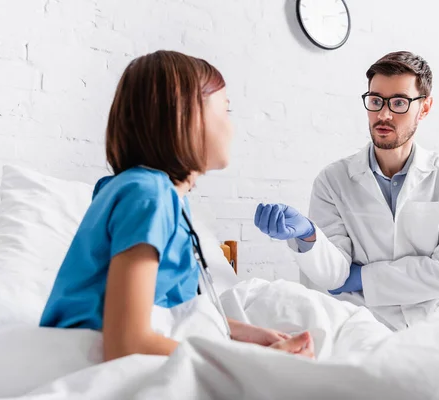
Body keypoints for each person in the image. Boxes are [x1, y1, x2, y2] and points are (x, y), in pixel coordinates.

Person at [40, 50, 314, 361]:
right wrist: (250, 362)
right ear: (189, 116)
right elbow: (127, 343)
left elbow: (169, 312)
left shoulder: (156, 196)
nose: (232, 127)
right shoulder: (147, 196)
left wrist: (239, 333)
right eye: (226, 111)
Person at [254, 51, 439, 331]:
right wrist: (309, 237)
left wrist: (363, 277)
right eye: (376, 101)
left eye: (399, 102)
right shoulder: (332, 180)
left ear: (424, 108)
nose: (383, 114)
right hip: (367, 324)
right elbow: (334, 275)